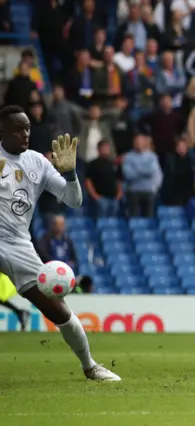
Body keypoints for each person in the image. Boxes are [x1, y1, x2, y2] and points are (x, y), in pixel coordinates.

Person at [0, 105, 119, 380]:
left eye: (28, 127)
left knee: (58, 309)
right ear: (2, 131)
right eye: (18, 128)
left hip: (18, 244)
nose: (25, 133)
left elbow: (74, 200)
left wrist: (71, 174)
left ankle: (90, 366)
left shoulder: (37, 162)